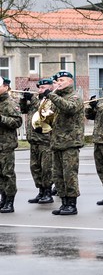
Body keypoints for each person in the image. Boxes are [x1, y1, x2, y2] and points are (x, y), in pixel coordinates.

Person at [47, 71, 85, 216]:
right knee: (58, 175)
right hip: (57, 141)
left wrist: (52, 95)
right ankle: (64, 202)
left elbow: (70, 108)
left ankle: (72, 204)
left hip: (70, 142)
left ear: (70, 81)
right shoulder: (58, 97)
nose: (59, 82)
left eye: (62, 80)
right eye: (58, 80)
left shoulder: (75, 97)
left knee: (69, 175)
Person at [20, 78, 54, 204]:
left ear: (50, 87)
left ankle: (48, 192)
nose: (40, 90)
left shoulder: (52, 101)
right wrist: (24, 99)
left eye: (43, 88)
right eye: (39, 88)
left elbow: (50, 117)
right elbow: (24, 110)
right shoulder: (36, 100)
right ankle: (40, 191)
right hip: (34, 140)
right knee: (35, 167)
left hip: (46, 140)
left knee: (47, 168)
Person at [0, 77, 23, 213]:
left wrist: (1, 119)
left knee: (7, 173)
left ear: (4, 87)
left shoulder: (10, 102)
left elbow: (17, 122)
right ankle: (3, 199)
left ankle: (9, 201)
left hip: (6, 144)